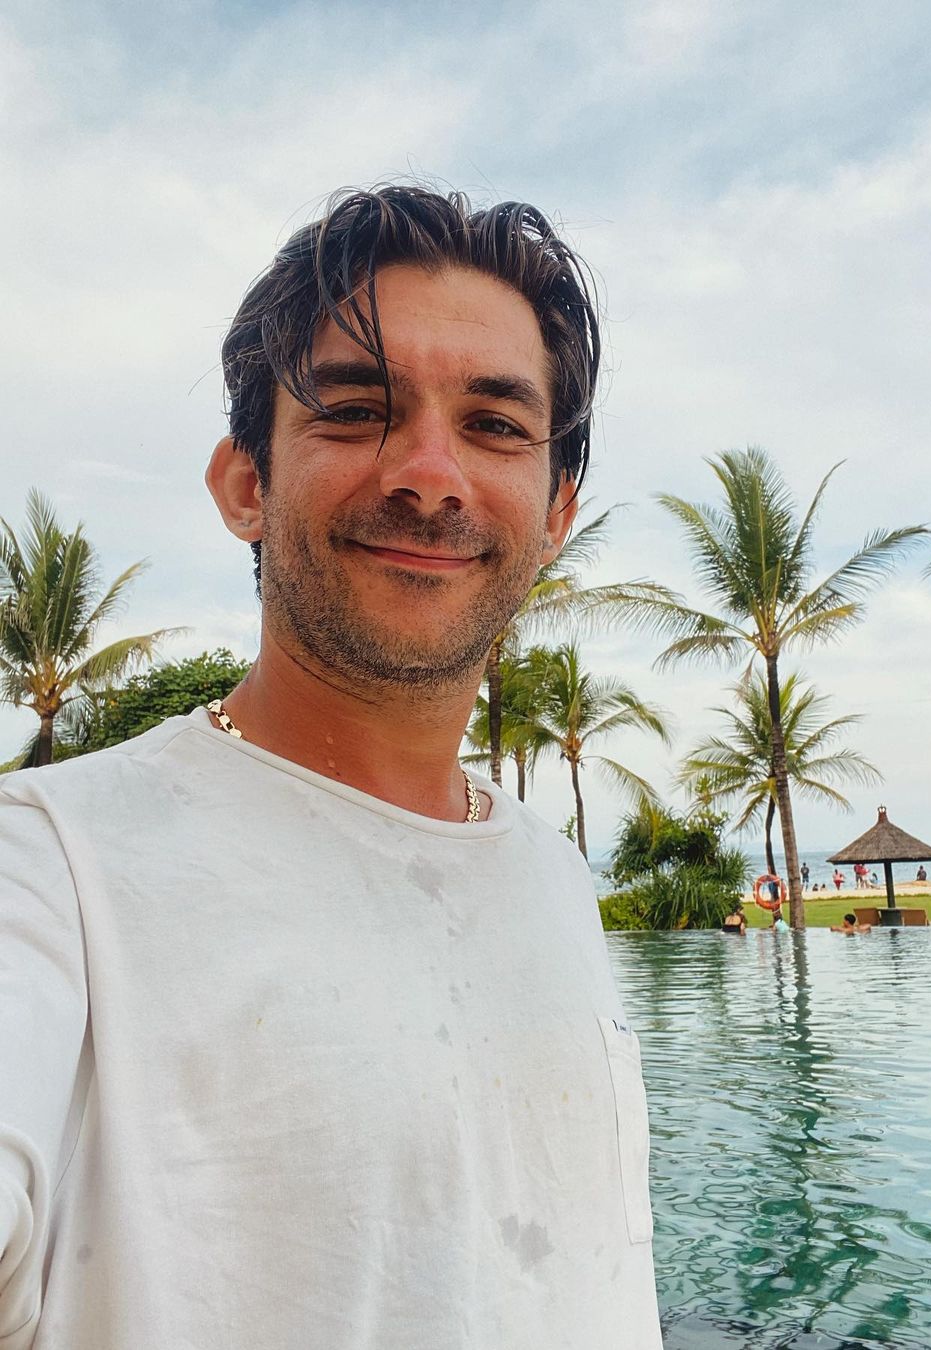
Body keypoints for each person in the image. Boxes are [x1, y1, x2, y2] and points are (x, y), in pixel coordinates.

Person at [0, 187, 662, 1349]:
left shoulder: (555, 875)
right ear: (246, 485)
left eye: (494, 424)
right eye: (357, 411)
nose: (430, 475)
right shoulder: (52, 871)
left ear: (557, 513)